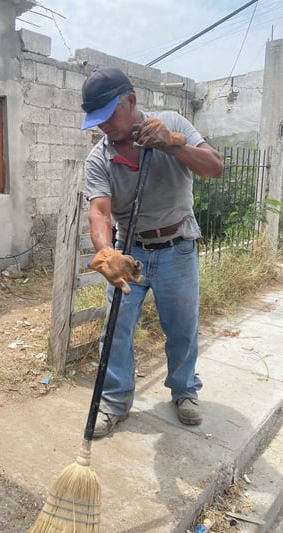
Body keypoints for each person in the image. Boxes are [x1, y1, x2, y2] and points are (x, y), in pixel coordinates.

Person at [81, 67, 223, 438]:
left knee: (182, 328)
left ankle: (185, 391)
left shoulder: (172, 122)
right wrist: (106, 253)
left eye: (108, 116)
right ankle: (113, 403)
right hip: (131, 253)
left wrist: (173, 144)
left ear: (130, 102)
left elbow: (215, 167)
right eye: (95, 121)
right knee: (115, 329)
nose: (103, 127)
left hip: (177, 248)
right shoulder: (100, 158)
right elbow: (98, 210)